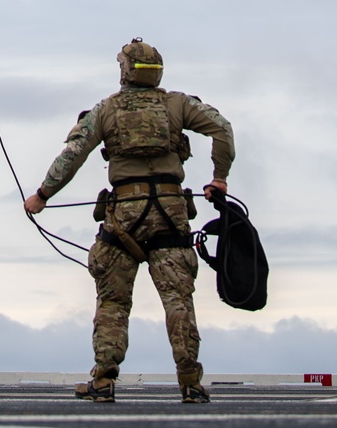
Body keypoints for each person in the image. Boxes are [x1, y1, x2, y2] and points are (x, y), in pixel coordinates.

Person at [24, 39, 234, 405]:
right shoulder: (178, 105)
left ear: (124, 70)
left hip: (124, 216)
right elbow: (222, 129)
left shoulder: (106, 110)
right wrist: (219, 178)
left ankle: (103, 381)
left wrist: (42, 195)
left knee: (113, 302)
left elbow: (73, 154)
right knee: (178, 299)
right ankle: (190, 382)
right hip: (172, 213)